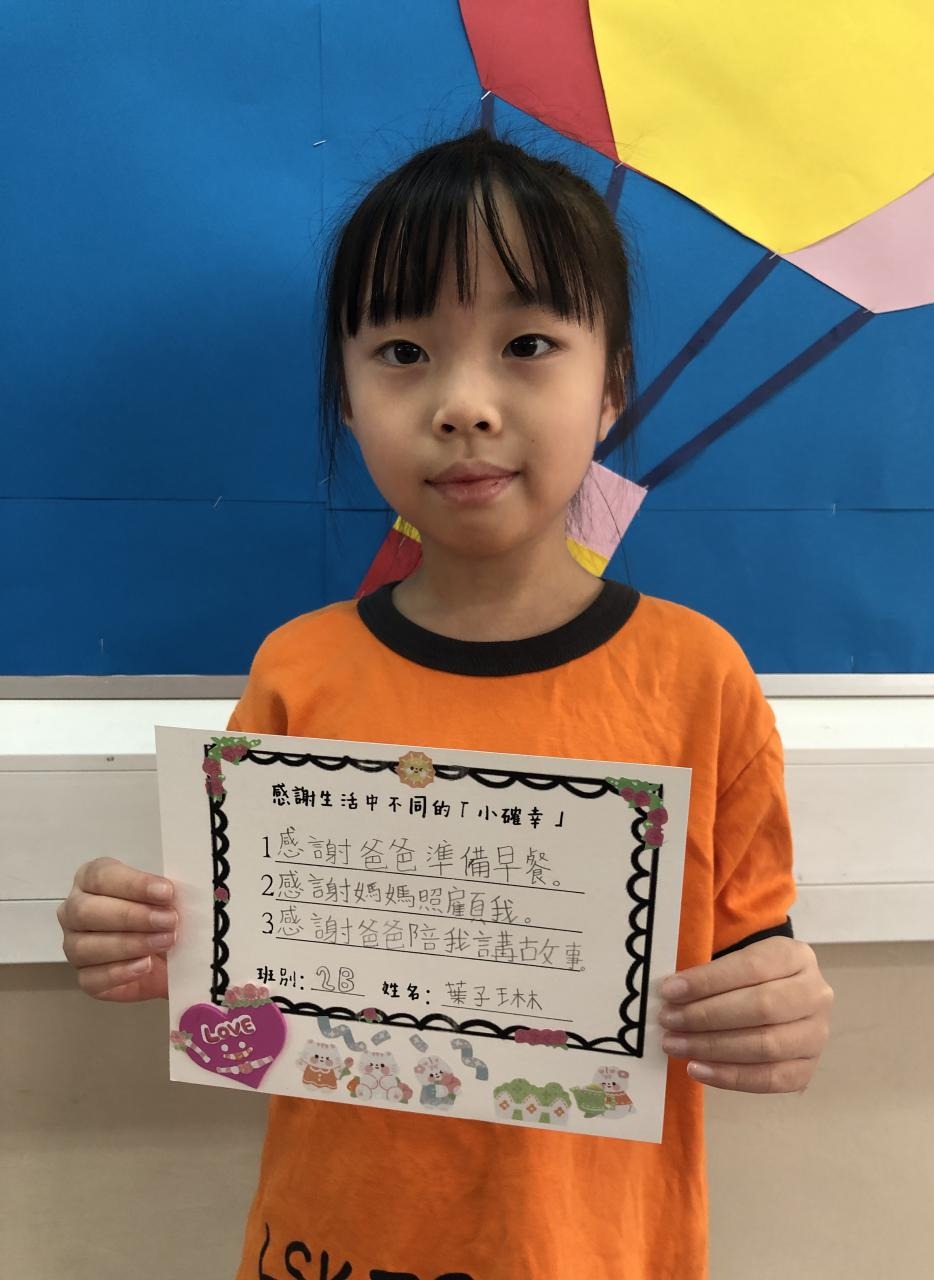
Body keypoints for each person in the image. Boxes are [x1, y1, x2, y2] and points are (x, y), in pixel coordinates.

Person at [57, 126, 833, 1279]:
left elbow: (755, 961)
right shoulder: (300, 671)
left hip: (587, 1249)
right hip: (331, 1242)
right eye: (404, 351)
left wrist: (781, 1012)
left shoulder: (697, 677)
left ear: (611, 387)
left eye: (528, 343)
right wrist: (140, 940)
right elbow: (241, 992)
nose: (464, 403)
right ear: (348, 397)